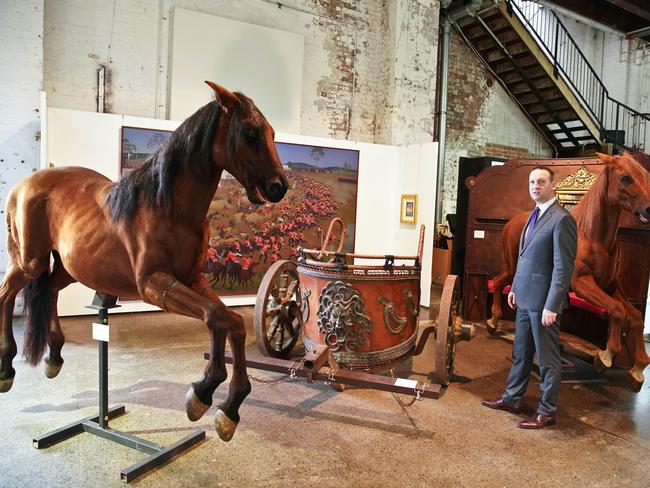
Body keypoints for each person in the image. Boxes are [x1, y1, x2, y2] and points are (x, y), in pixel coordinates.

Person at [482, 166, 577, 429]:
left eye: (541, 181)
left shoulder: (562, 219)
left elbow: (562, 268)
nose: (535, 186)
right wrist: (514, 288)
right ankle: (512, 398)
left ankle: (546, 412)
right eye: (532, 182)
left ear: (552, 185)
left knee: (546, 360)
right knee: (521, 353)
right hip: (524, 297)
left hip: (544, 304)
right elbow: (525, 260)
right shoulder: (533, 215)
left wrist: (552, 305)